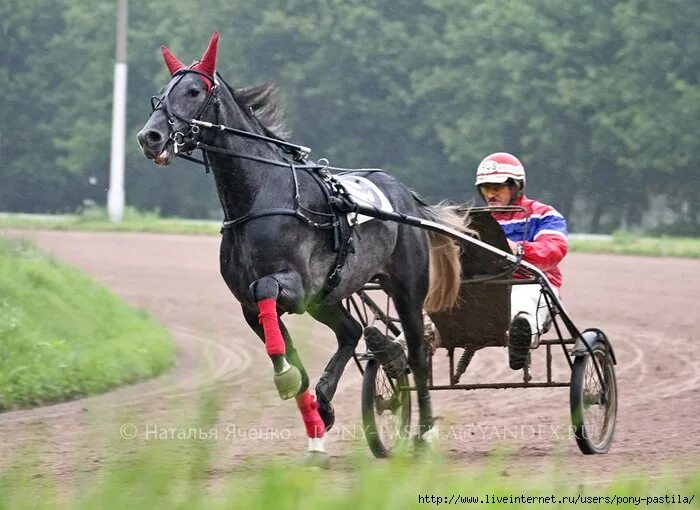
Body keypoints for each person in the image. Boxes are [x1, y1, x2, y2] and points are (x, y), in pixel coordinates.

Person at [474, 152, 568, 370]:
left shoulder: (544, 214)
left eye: (496, 188)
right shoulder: (476, 220)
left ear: (515, 186)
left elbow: (554, 249)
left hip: (533, 283)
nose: (490, 194)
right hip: (487, 288)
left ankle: (523, 337)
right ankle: (405, 345)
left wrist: (517, 248)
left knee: (522, 299)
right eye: (486, 188)